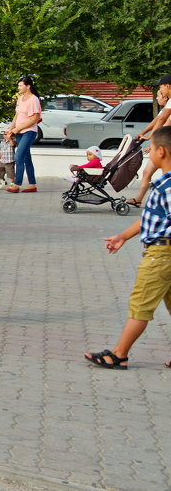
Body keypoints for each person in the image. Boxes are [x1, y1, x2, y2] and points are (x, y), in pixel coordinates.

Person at [84, 125, 171, 370]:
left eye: (151, 149)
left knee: (140, 304)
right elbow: (150, 219)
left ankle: (119, 354)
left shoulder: (169, 186)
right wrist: (123, 236)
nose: (148, 153)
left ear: (161, 152)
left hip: (162, 255)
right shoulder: (164, 184)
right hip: (163, 253)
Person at [125, 75, 171, 206]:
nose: (160, 90)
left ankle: (163, 202)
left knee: (166, 173)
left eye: (161, 86)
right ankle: (139, 200)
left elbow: (164, 121)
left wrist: (153, 139)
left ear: (168, 86)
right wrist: (145, 133)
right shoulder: (169, 102)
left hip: (167, 144)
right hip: (164, 142)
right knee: (147, 172)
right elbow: (158, 119)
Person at [2, 76, 41, 193]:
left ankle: (16, 184)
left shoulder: (34, 99)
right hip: (19, 132)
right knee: (26, 158)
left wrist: (17, 129)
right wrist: (11, 129)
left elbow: (34, 119)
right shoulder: (20, 98)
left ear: (28, 86)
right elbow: (17, 115)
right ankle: (32, 185)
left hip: (29, 132)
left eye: (20, 85)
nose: (18, 87)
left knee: (18, 156)